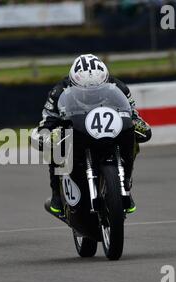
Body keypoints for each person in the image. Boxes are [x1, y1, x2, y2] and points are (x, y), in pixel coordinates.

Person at [36, 54, 152, 215]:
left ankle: (125, 182)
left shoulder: (118, 86)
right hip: (77, 133)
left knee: (132, 136)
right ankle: (57, 193)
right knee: (53, 145)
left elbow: (132, 114)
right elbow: (47, 121)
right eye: (86, 91)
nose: (92, 94)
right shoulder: (58, 91)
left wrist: (137, 124)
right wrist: (46, 135)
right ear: (73, 83)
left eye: (97, 90)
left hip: (108, 132)